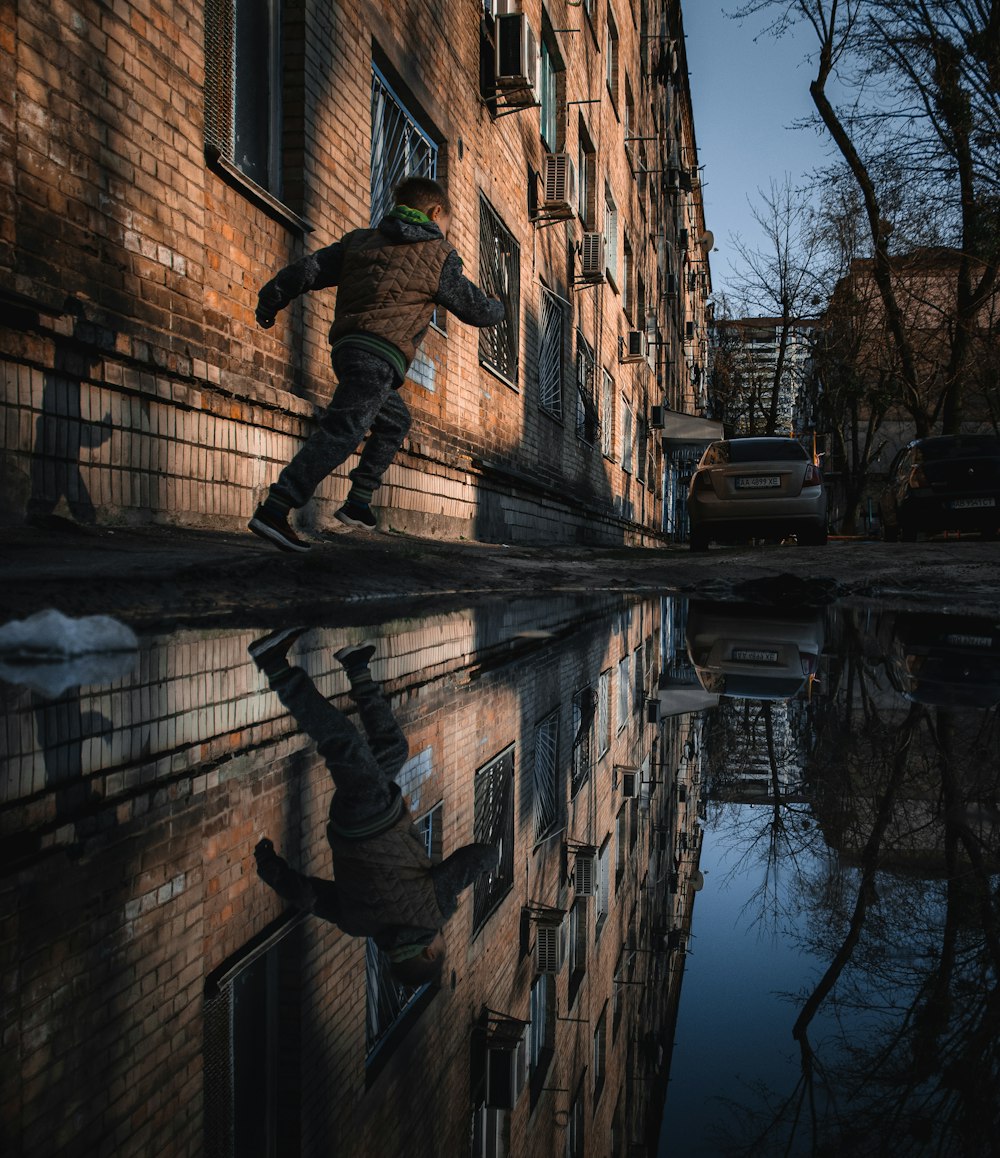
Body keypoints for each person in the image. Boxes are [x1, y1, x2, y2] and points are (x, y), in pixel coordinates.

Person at [249, 176, 505, 553]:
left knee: (394, 421)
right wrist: (499, 306)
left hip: (350, 349)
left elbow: (309, 270)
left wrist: (270, 299)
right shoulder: (439, 255)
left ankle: (358, 502)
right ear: (436, 213)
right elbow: (476, 310)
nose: (445, 228)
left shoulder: (359, 241)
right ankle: (276, 507)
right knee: (344, 428)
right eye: (446, 221)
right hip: (380, 355)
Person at [248, 627, 499, 986]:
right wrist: (270, 867)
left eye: (443, 944)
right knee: (393, 748)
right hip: (350, 824)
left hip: (375, 815)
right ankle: (356, 666)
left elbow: (481, 856)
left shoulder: (434, 912)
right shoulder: (357, 925)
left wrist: (472, 878)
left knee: (343, 743)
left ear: (429, 951)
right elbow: (309, 896)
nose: (442, 937)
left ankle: (275, 667)